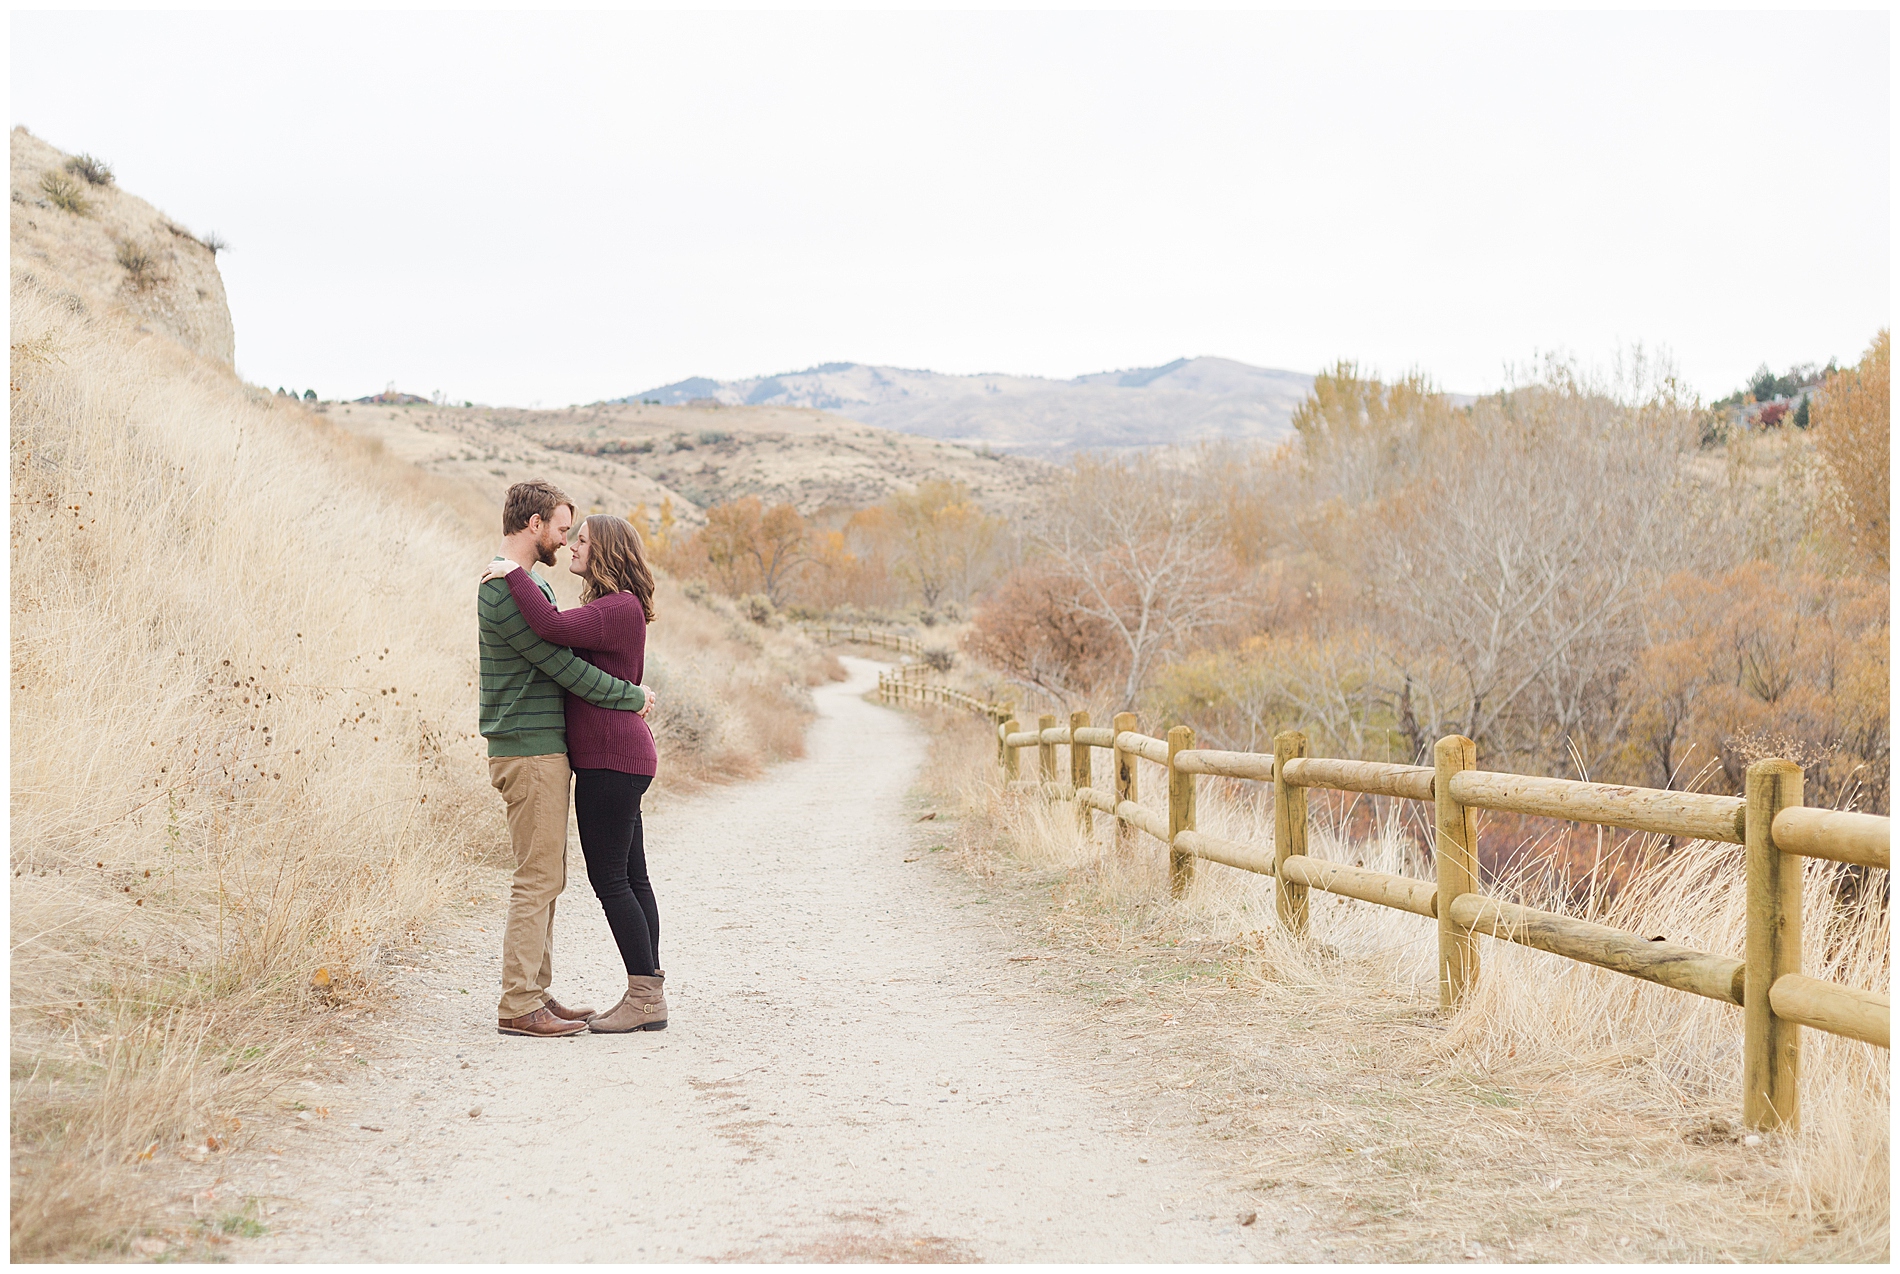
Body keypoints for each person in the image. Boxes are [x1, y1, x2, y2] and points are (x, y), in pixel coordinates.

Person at [481, 513, 668, 1032]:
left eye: (581, 541)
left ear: (605, 550)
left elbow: (552, 627)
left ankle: (644, 999)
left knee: (613, 880)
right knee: (631, 876)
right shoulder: (613, 607)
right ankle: (647, 995)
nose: (572, 548)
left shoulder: (616, 607)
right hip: (618, 756)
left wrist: (511, 572)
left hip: (612, 757)